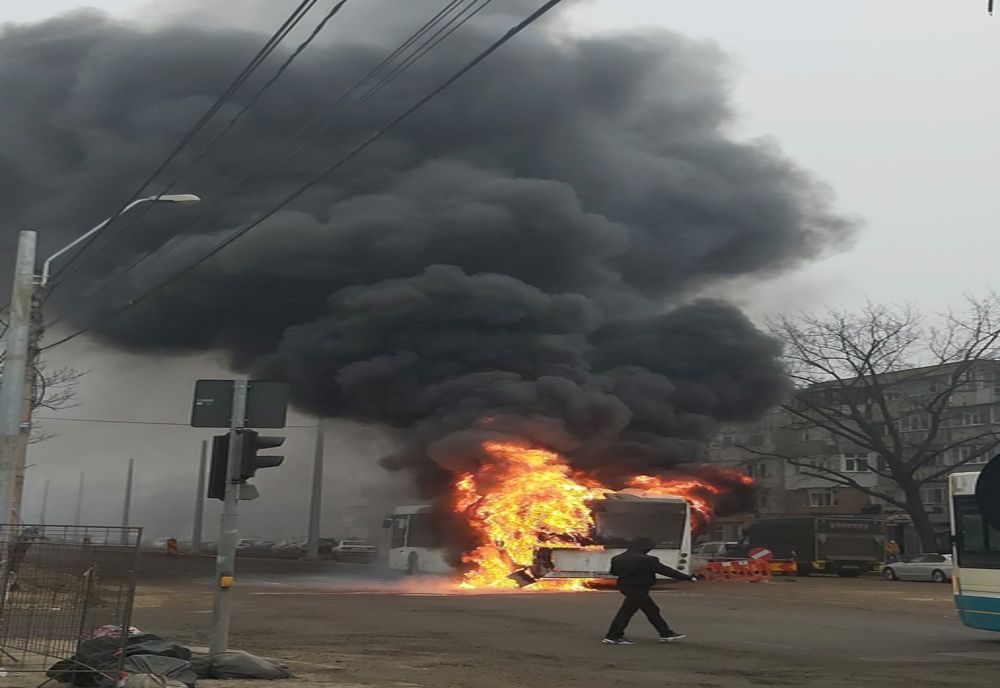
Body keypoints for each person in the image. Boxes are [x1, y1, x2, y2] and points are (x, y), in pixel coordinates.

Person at [604, 536, 694, 645]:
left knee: (652, 610)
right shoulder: (648, 560)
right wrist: (687, 577)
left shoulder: (617, 558)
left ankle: (666, 633)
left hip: (625, 587)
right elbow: (666, 571)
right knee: (626, 612)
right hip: (640, 588)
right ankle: (613, 636)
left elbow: (614, 572)